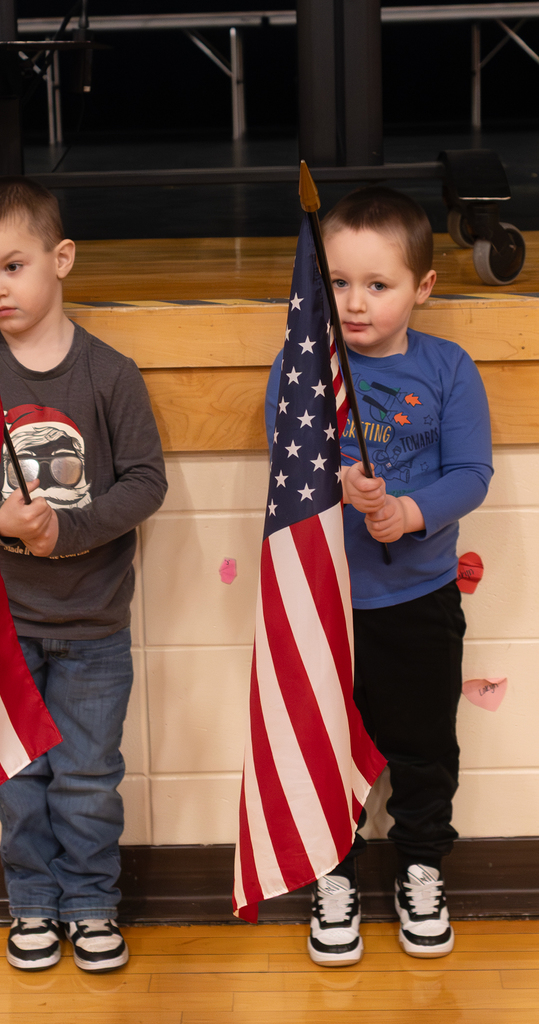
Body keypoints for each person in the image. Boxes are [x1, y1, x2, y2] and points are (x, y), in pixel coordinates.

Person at [265, 187, 492, 966]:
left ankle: (420, 867)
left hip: (419, 599)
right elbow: (291, 476)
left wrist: (405, 512)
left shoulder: (448, 368)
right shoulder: (301, 371)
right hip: (327, 607)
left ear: (421, 288)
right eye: (336, 282)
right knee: (329, 748)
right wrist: (343, 490)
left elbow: (469, 473)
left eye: (376, 284)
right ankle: (334, 877)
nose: (352, 304)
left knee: (422, 746)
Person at [0, 177, 167, 973]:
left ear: (61, 259)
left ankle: (90, 904)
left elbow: (146, 483)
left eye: (11, 267)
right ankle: (33, 905)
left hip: (93, 627)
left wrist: (65, 529)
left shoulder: (109, 374)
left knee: (85, 778)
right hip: (6, 625)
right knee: (18, 778)